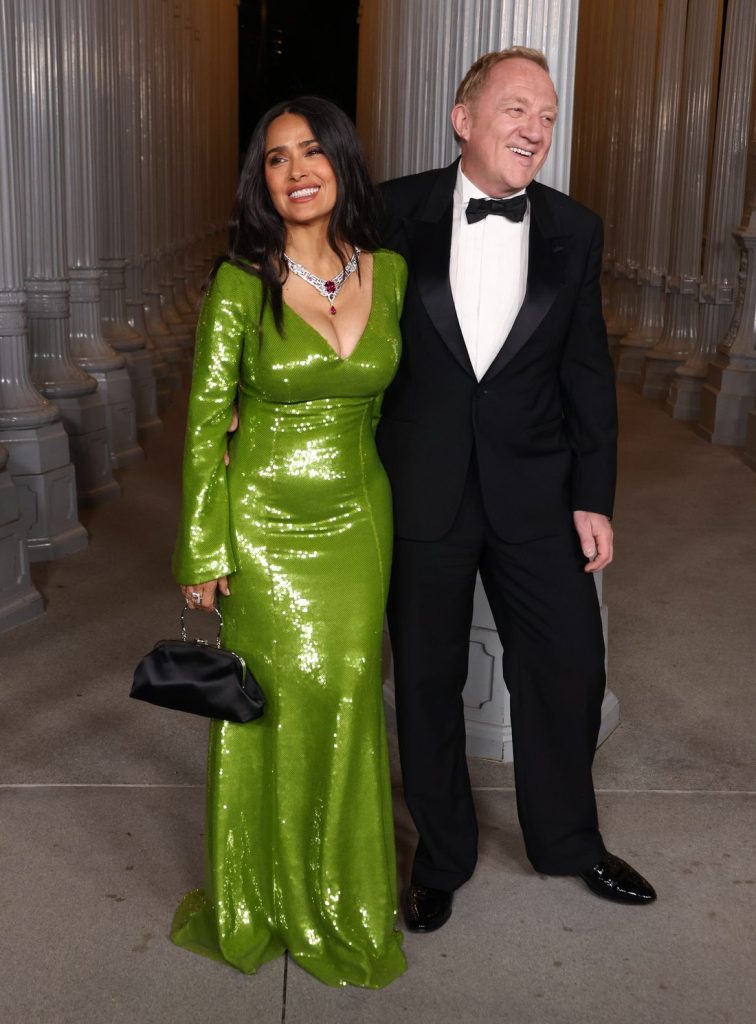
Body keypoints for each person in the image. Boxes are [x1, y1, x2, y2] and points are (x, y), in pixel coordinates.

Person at [376, 47, 656, 933]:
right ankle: (443, 858)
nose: (535, 129)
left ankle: (571, 842)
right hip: (422, 489)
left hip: (537, 489)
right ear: (464, 119)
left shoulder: (575, 227)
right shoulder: (391, 210)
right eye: (516, 110)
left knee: (571, 668)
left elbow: (587, 369)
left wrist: (594, 494)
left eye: (547, 116)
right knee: (424, 681)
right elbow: (345, 335)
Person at [171, 96, 408, 987]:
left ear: (341, 163)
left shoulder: (389, 271)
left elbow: (390, 406)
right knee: (266, 706)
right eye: (276, 158)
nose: (297, 169)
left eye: (312, 151)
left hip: (360, 522)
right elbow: (202, 426)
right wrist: (203, 551)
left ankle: (343, 898)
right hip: (262, 524)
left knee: (349, 698)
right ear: (261, 182)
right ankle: (260, 897)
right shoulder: (239, 284)